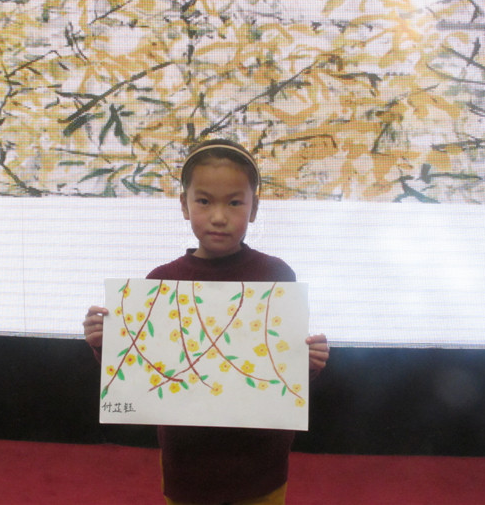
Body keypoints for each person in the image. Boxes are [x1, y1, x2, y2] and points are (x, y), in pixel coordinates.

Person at [84, 139, 330, 505]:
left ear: (254, 208)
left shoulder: (277, 275)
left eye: (234, 202)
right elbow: (140, 376)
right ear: (184, 205)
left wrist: (309, 361)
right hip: (189, 462)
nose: (219, 216)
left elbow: (284, 370)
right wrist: (105, 342)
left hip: (260, 460)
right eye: (204, 201)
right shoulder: (160, 282)